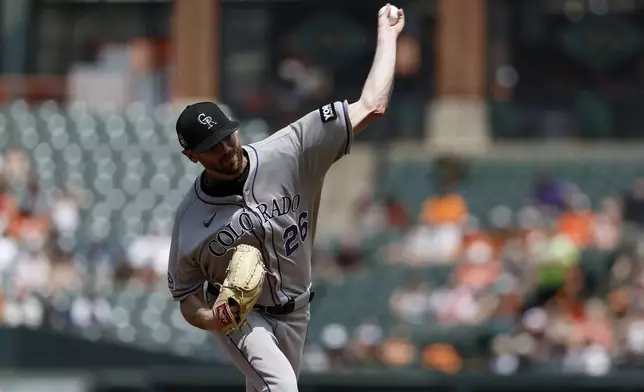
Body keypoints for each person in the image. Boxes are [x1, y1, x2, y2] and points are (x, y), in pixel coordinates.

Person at [167, 4, 405, 391]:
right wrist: (214, 319)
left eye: (227, 136)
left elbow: (371, 106)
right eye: (212, 146)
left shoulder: (290, 150)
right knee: (281, 388)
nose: (225, 148)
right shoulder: (191, 219)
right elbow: (185, 294)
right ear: (192, 156)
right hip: (244, 317)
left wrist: (388, 38)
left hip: (298, 308)